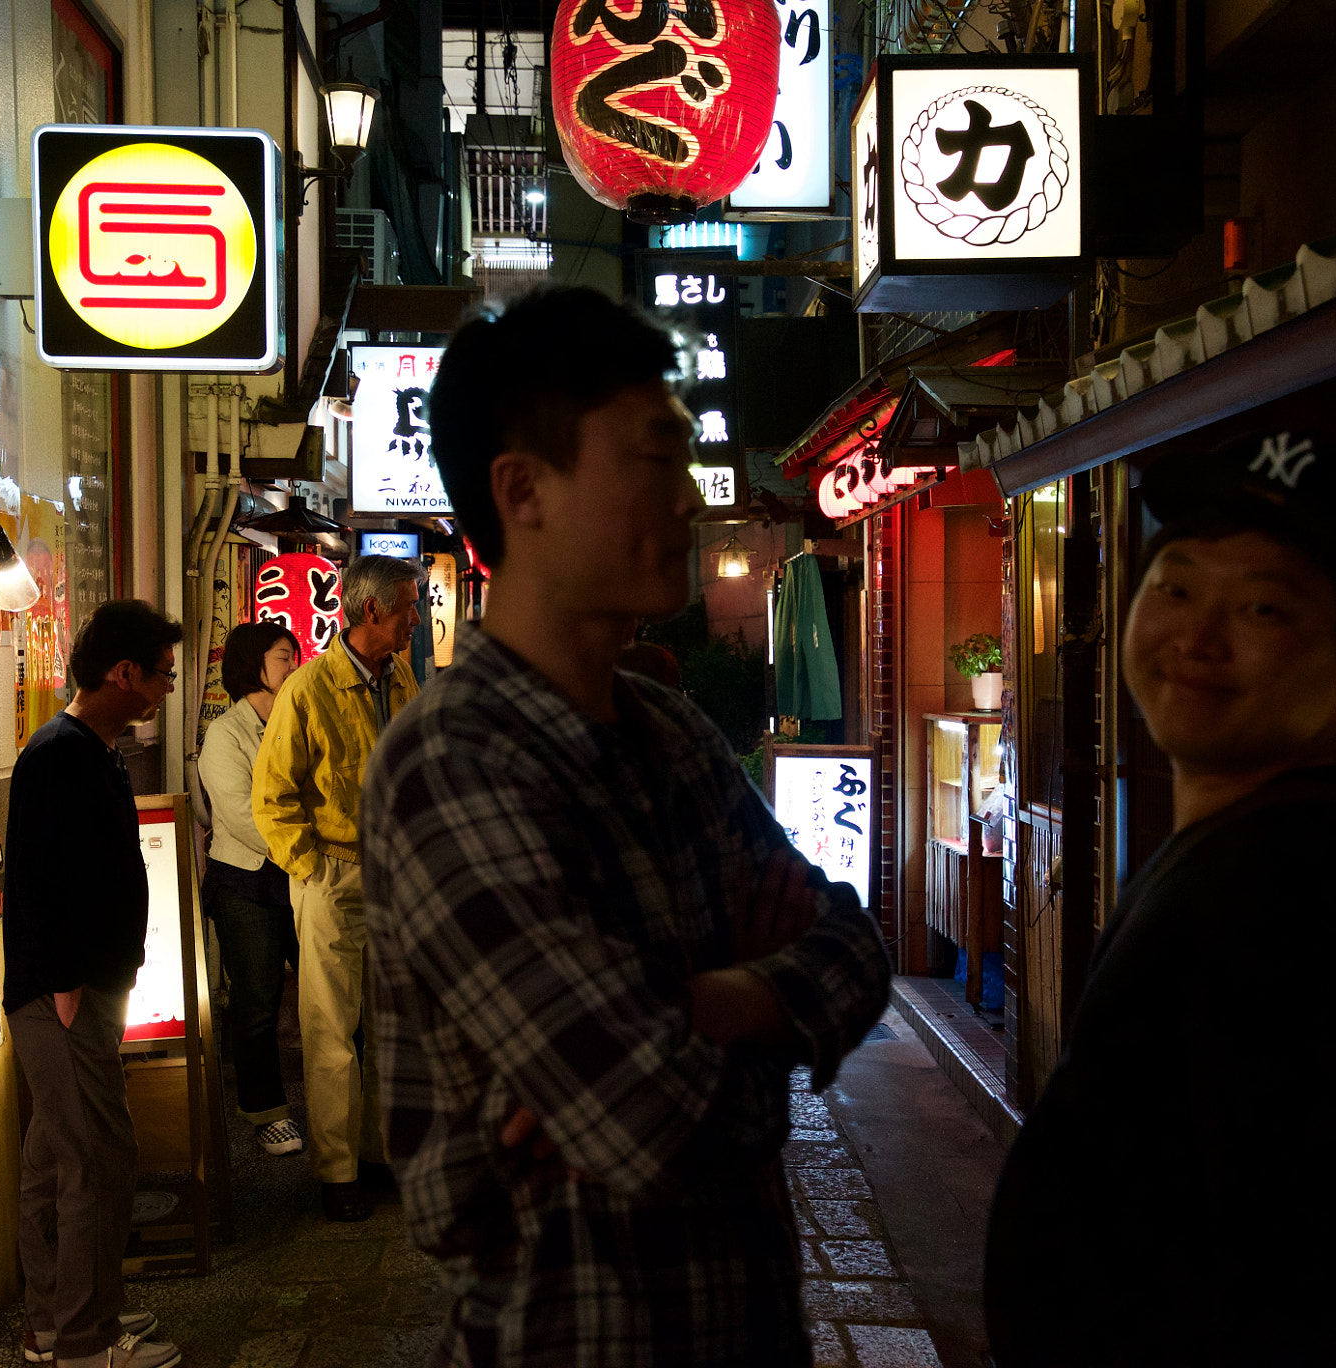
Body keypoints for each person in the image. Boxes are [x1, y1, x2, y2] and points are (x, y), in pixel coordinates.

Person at [360, 286, 891, 1366]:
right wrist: (766, 1025)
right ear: (523, 491)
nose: (688, 501)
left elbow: (858, 953)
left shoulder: (672, 734)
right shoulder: (450, 761)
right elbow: (646, 1114)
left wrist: (710, 1003)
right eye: (653, 459)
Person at [983, 432, 1336, 1367]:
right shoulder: (1268, 845)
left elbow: (1286, 1290)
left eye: (1263, 607)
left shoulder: (1289, 902)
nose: (1196, 639)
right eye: (1178, 586)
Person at [3, 599, 184, 1368]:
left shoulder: (90, 748)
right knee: (97, 1161)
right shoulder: (60, 753)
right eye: (163, 675)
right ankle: (83, 1339)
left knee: (56, 1158)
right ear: (124, 673)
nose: (167, 689)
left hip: (78, 991)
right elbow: (40, 880)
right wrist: (69, 984)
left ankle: (59, 1320)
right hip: (64, 997)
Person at [252, 555, 422, 1221]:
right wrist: (315, 869)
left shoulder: (398, 674)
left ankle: (378, 1154)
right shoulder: (309, 689)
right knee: (329, 1031)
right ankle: (338, 1171)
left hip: (393, 877)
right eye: (408, 607)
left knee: (387, 1027)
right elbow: (273, 798)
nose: (415, 618)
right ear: (373, 611)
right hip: (336, 874)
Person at [197, 622, 304, 1156]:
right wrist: (303, 845)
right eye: (284, 657)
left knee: (328, 990)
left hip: (303, 873)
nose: (293, 666)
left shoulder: (297, 718)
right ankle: (266, 1110)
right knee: (257, 999)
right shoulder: (226, 732)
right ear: (253, 665)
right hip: (247, 880)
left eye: (293, 656)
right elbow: (239, 814)